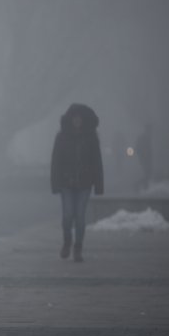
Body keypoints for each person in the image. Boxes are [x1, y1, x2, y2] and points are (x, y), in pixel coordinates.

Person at [50, 103, 104, 262]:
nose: (77, 121)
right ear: (70, 119)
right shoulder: (61, 137)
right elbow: (56, 162)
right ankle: (67, 242)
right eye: (75, 118)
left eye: (80, 118)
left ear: (84, 120)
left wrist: (99, 185)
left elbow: (97, 162)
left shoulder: (91, 137)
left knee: (80, 217)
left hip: (84, 184)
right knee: (67, 215)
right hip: (66, 183)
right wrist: (55, 183)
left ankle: (78, 247)